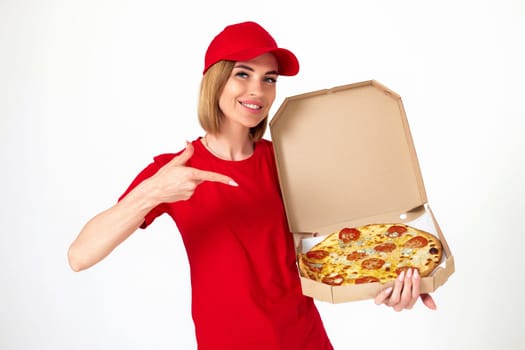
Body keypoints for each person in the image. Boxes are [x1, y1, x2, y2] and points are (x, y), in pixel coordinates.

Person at [68, 21, 436, 350]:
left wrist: (391, 280)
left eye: (269, 78)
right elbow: (80, 256)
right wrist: (153, 192)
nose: (257, 90)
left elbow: (339, 244)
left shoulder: (289, 160)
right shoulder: (174, 171)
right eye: (243, 74)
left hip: (305, 340)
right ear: (216, 80)